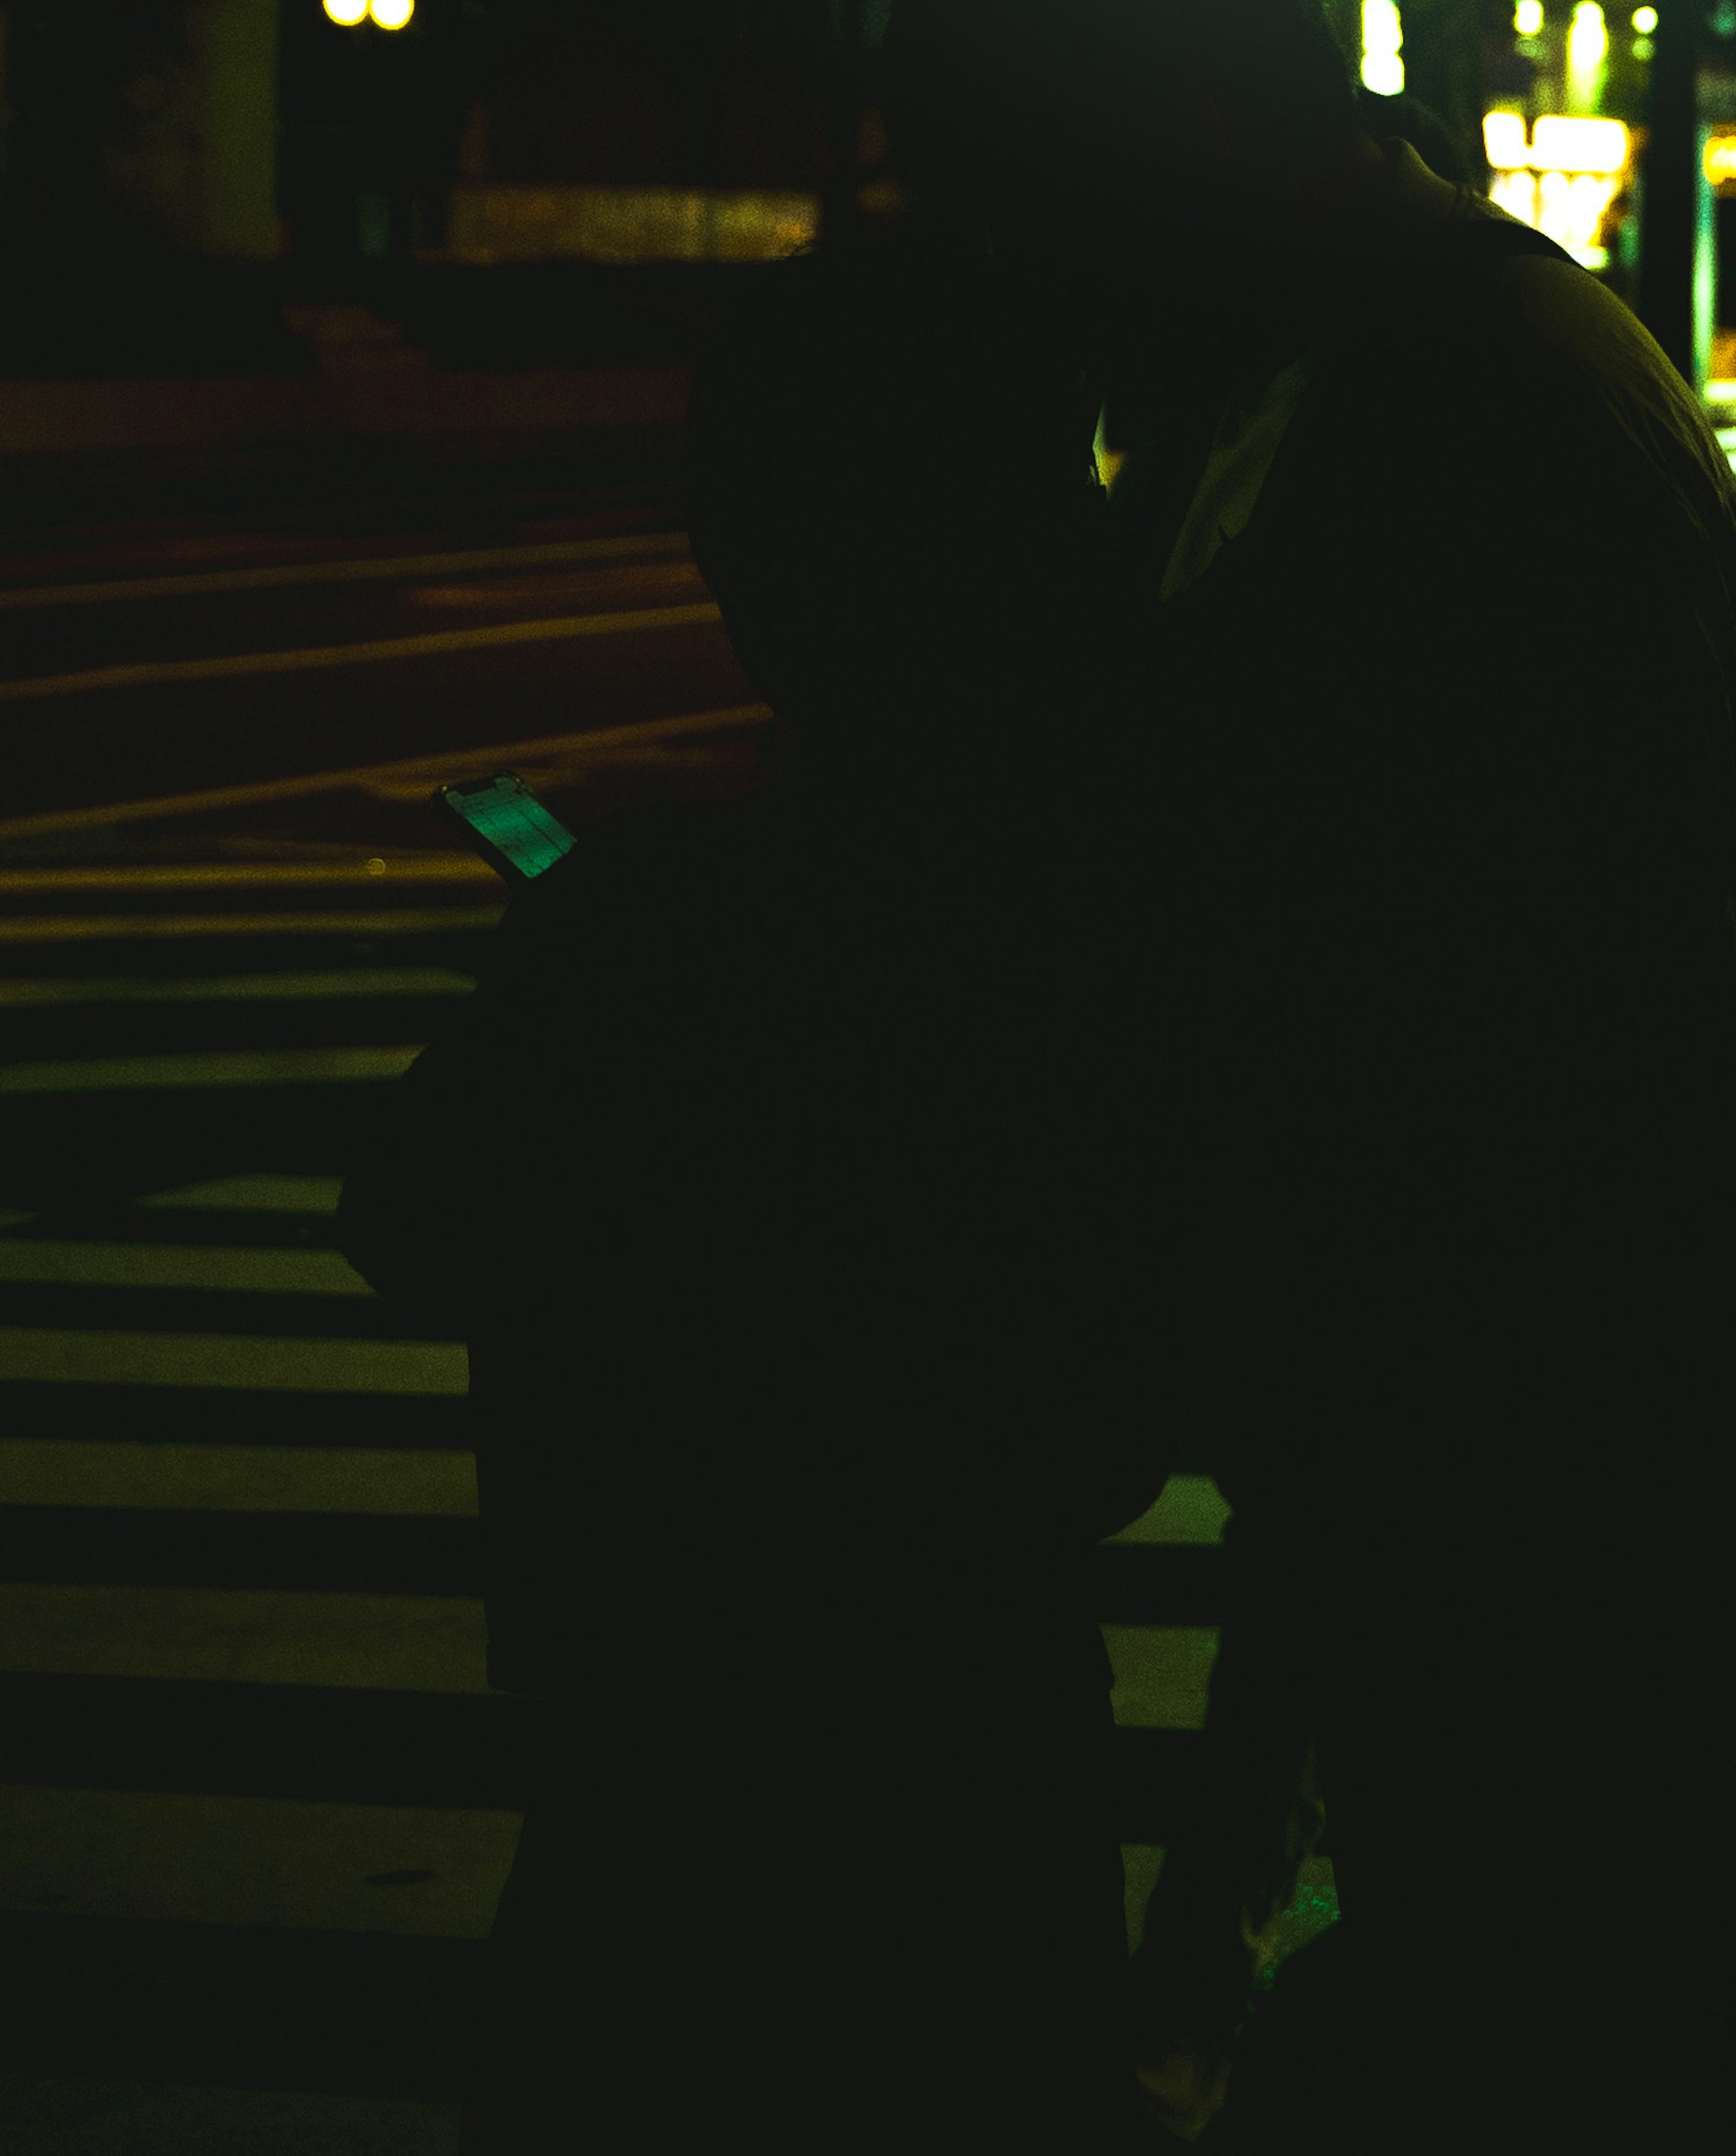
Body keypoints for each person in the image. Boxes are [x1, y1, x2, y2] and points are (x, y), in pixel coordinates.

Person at [878, 0, 1736, 2137]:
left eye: (1007, 168)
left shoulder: (1424, 396)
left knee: (1507, 1992)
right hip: (1555, 1355)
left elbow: (1338, 931)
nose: (996, 236)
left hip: (1538, 1377)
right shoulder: (1390, 343)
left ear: (1129, 132)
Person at [341, 208, 1160, 2152]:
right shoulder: (1095, 896)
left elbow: (408, 1217)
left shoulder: (660, 913)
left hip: (670, 1728)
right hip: (988, 1715)